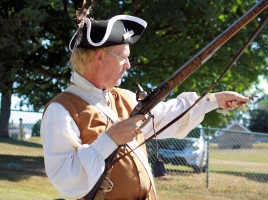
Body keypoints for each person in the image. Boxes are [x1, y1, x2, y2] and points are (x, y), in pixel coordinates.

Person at [40, 14, 249, 200]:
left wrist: (213, 100)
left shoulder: (124, 98)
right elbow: (65, 178)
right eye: (123, 57)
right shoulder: (61, 109)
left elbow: (166, 116)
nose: (128, 65)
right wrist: (109, 140)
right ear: (100, 56)